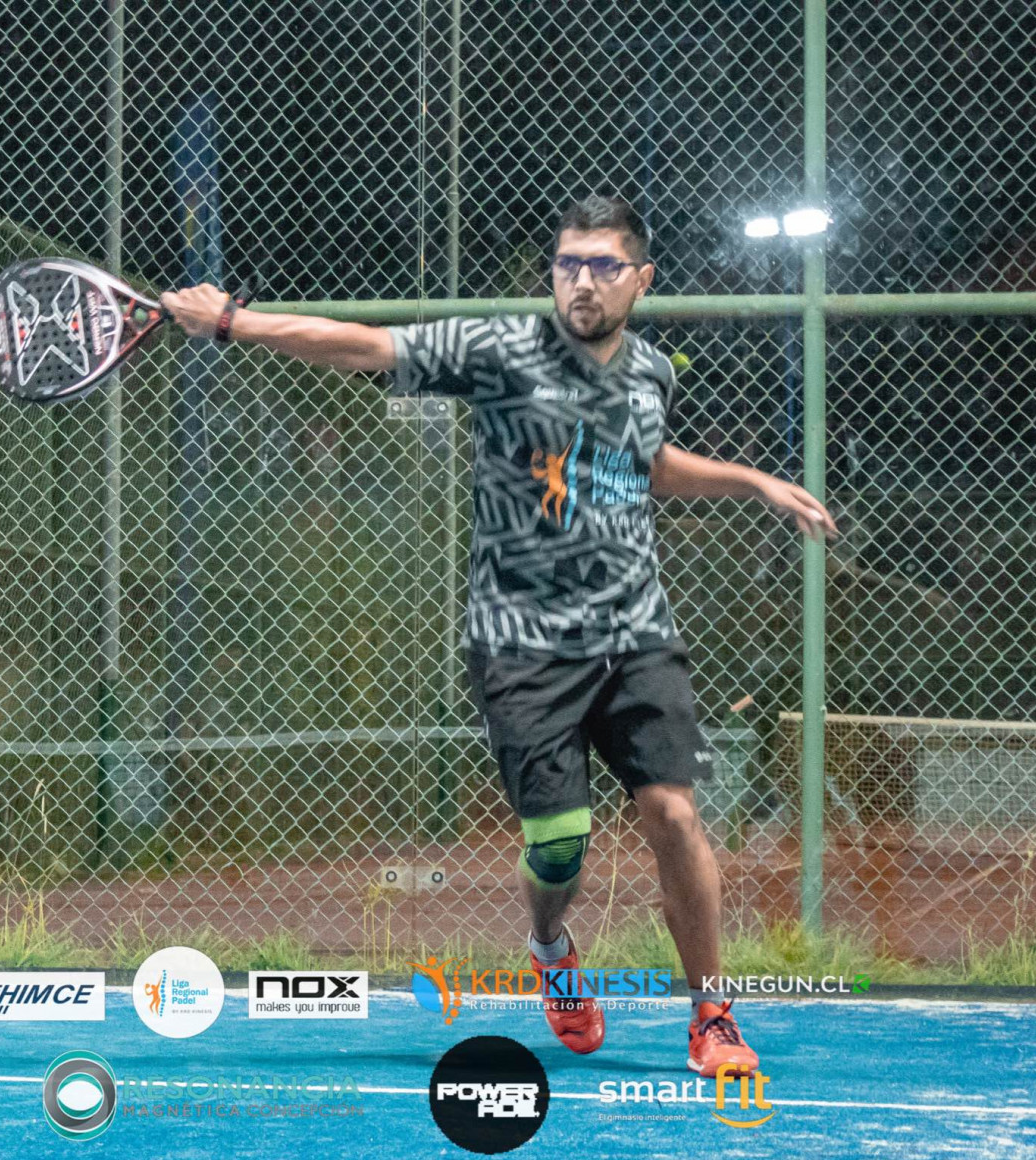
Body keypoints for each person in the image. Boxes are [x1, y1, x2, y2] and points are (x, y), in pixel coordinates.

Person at [160, 195, 838, 1075]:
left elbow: (645, 463)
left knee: (674, 812)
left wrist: (753, 482)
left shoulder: (649, 372)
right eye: (568, 264)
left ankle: (712, 1017)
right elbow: (365, 346)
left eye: (603, 265)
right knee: (558, 847)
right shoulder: (500, 349)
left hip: (636, 630)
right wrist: (232, 322)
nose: (582, 281)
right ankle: (551, 948)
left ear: (640, 279)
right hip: (521, 642)